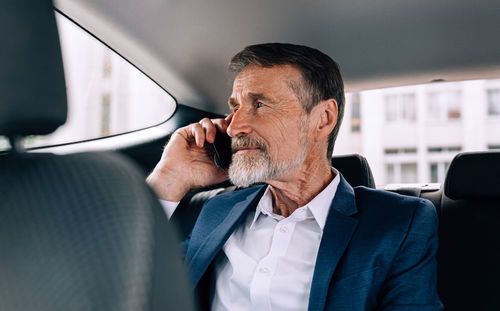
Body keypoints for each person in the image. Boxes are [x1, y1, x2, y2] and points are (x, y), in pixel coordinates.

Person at [147, 43, 442, 311]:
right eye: (234, 108)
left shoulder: (399, 222)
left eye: (260, 104)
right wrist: (169, 178)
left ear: (323, 119)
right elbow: (133, 282)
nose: (235, 126)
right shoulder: (217, 210)